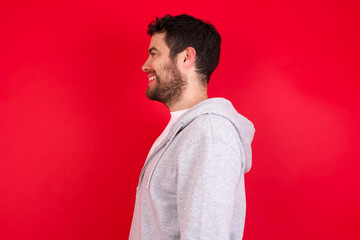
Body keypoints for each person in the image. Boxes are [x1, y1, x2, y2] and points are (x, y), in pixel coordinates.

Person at [129, 14, 255, 240]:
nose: (145, 66)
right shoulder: (185, 130)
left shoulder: (209, 133)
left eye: (154, 54)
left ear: (186, 57)